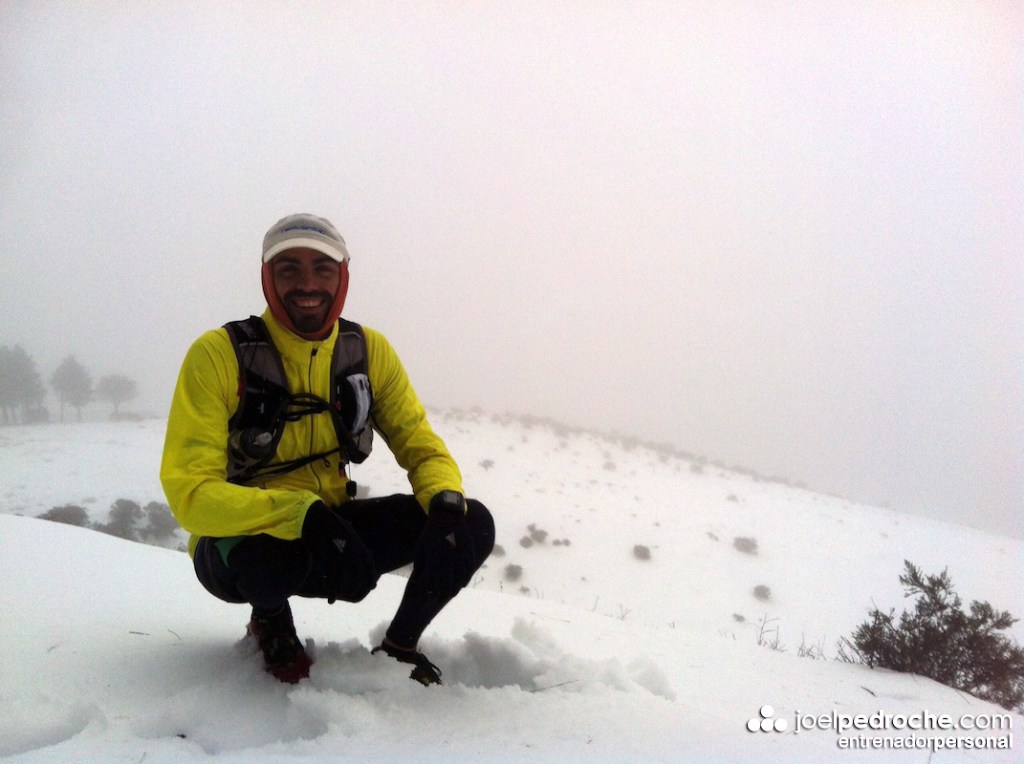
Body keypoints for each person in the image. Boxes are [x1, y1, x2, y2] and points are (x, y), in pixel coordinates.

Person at [160, 213, 495, 686]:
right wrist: (303, 516)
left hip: (333, 525)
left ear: (343, 277)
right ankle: (271, 620)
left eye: (322, 267)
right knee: (271, 563)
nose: (307, 283)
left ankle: (399, 646)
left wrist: (443, 501)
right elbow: (190, 493)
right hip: (239, 537)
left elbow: (421, 445)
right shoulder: (218, 355)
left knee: (470, 522)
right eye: (288, 268)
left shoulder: (367, 351)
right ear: (267, 277)